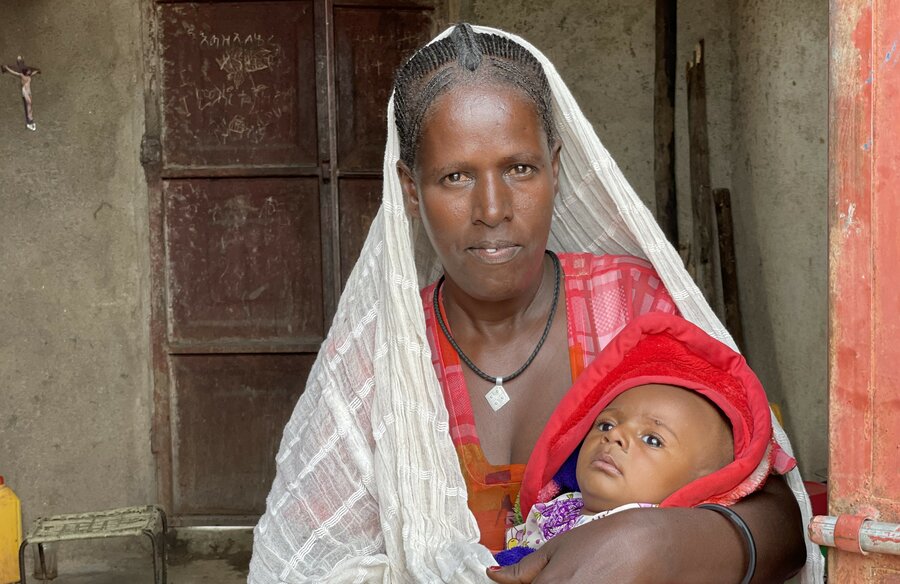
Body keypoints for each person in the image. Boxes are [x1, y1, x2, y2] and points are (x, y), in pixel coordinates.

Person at [249, 24, 822, 584]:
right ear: (408, 186)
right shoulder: (379, 356)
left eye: (519, 168)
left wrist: (661, 544)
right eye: (454, 177)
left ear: (556, 163)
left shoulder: (635, 309)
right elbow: (306, 562)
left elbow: (781, 518)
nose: (493, 208)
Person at [494, 313, 796, 578]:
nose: (613, 437)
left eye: (652, 439)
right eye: (606, 424)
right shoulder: (558, 508)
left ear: (705, 483)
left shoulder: (672, 550)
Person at [2, 56, 40, 131]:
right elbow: (14, 72)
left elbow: (32, 73)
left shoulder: (28, 75)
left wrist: (37, 71)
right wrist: (7, 68)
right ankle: (30, 120)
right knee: (29, 104)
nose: (29, 72)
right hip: (25, 91)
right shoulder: (22, 75)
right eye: (28, 71)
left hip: (28, 91)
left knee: (30, 104)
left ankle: (30, 119)